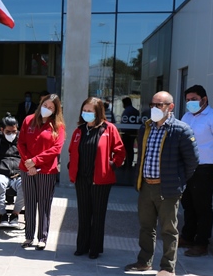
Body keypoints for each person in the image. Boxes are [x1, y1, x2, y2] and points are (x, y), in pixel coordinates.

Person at [125, 91, 199, 276]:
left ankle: (168, 267)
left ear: (170, 107)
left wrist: (178, 180)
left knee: (168, 229)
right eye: (152, 105)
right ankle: (144, 261)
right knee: (146, 227)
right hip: (146, 186)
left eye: (159, 105)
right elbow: (141, 156)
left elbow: (192, 162)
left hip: (167, 189)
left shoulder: (181, 130)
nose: (155, 109)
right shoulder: (146, 128)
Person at [68, 97, 125, 259]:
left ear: (98, 112)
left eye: (89, 111)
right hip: (82, 178)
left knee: (98, 215)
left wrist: (111, 165)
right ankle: (82, 246)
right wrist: (72, 166)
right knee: (83, 214)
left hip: (101, 179)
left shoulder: (109, 129)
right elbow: (72, 151)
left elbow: (120, 152)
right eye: (84, 111)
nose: (86, 114)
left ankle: (95, 248)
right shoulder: (79, 130)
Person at [179, 85, 213, 257]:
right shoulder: (186, 117)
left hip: (205, 168)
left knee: (202, 206)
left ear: (204, 99)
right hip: (186, 167)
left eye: (193, 99)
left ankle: (202, 243)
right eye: (187, 100)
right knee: (188, 204)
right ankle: (187, 236)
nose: (190, 103)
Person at [17, 93, 66, 250]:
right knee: (30, 203)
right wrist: (29, 163)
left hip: (46, 170)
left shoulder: (58, 126)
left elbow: (56, 148)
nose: (47, 109)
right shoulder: (28, 120)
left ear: (56, 110)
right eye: (45, 105)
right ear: (40, 104)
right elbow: (21, 143)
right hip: (27, 169)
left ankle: (42, 237)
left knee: (44, 204)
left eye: (51, 107)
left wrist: (36, 161)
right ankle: (29, 236)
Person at [120, 97, 141, 168]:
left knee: (127, 149)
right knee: (130, 149)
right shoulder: (135, 111)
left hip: (127, 132)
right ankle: (129, 162)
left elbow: (124, 122)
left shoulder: (127, 111)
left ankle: (127, 163)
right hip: (133, 132)